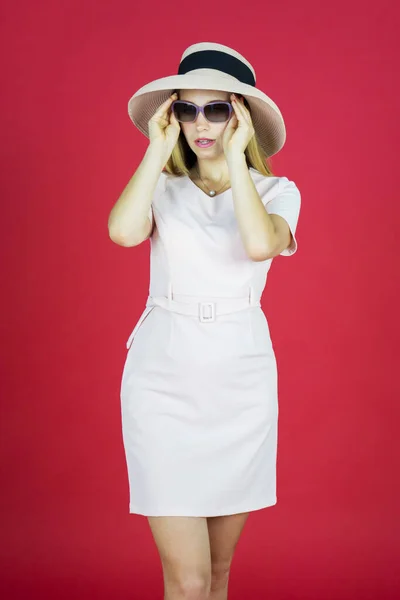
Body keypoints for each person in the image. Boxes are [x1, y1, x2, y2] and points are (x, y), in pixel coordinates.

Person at [108, 42, 301, 600]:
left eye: (215, 109)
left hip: (239, 384)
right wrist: (156, 149)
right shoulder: (161, 188)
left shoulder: (277, 192)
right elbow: (122, 232)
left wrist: (238, 160)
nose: (200, 123)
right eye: (186, 109)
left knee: (217, 576)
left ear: (240, 114)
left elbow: (260, 242)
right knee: (187, 581)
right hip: (163, 381)